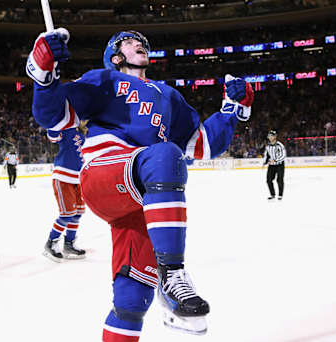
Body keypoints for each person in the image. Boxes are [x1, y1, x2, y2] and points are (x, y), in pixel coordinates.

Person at [26, 29, 254, 340]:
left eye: (142, 42)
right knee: (164, 155)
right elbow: (52, 115)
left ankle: (150, 295)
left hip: (140, 197)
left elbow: (202, 143)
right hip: (104, 174)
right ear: (115, 56)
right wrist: (44, 70)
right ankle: (172, 276)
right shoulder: (104, 80)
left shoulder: (169, 96)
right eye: (130, 42)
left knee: (132, 300)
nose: (140, 44)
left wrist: (232, 108)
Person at [43, 124, 86, 262]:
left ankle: (69, 243)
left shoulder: (85, 137)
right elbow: (53, 135)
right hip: (63, 176)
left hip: (79, 178)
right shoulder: (68, 130)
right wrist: (54, 119)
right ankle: (51, 242)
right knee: (67, 213)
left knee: (78, 212)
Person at [263, 130, 286, 200]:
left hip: (280, 165)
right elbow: (266, 154)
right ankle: (272, 194)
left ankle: (280, 195)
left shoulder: (280, 145)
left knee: (279, 180)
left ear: (274, 137)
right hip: (271, 165)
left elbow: (283, 155)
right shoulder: (268, 146)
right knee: (268, 180)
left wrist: (275, 160)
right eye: (269, 136)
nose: (269, 137)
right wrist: (265, 161)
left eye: (271, 135)